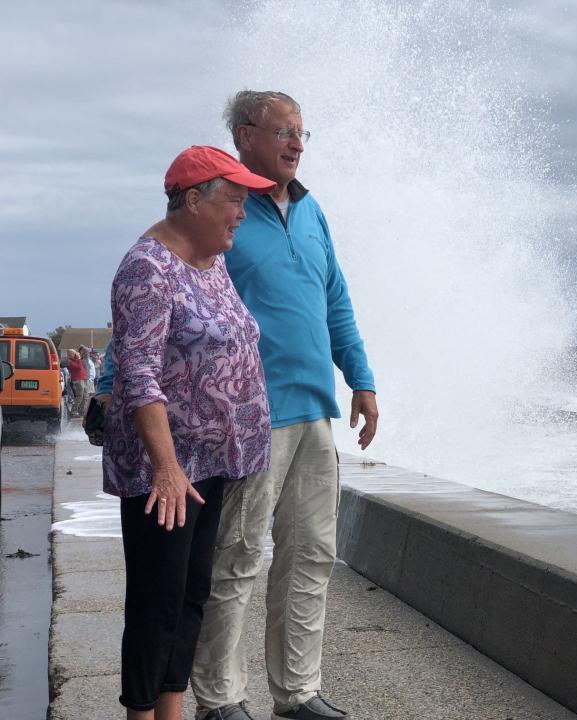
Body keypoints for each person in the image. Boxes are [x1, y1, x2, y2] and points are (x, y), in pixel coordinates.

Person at [190, 91, 379, 720]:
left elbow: (336, 300)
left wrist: (362, 379)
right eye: (283, 132)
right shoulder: (224, 204)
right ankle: (219, 700)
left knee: (310, 555)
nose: (297, 143)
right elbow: (172, 291)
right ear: (245, 136)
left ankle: (296, 694)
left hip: (314, 413)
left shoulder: (311, 209)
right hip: (249, 417)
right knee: (237, 558)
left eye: (302, 132)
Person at [103, 145, 275, 720]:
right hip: (166, 469)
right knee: (156, 602)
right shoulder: (147, 268)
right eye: (234, 200)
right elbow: (138, 372)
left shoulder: (212, 260)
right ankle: (141, 713)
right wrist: (167, 467)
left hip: (214, 461)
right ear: (193, 200)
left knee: (192, 595)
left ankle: (172, 710)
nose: (241, 213)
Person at [66, 348, 87, 415]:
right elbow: (79, 367)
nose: (75, 354)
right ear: (69, 354)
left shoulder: (76, 360)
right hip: (77, 380)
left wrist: (79, 359)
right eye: (72, 353)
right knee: (79, 396)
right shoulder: (69, 361)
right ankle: (74, 410)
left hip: (82, 379)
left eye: (74, 352)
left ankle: (82, 410)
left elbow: (83, 366)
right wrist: (78, 358)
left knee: (84, 396)